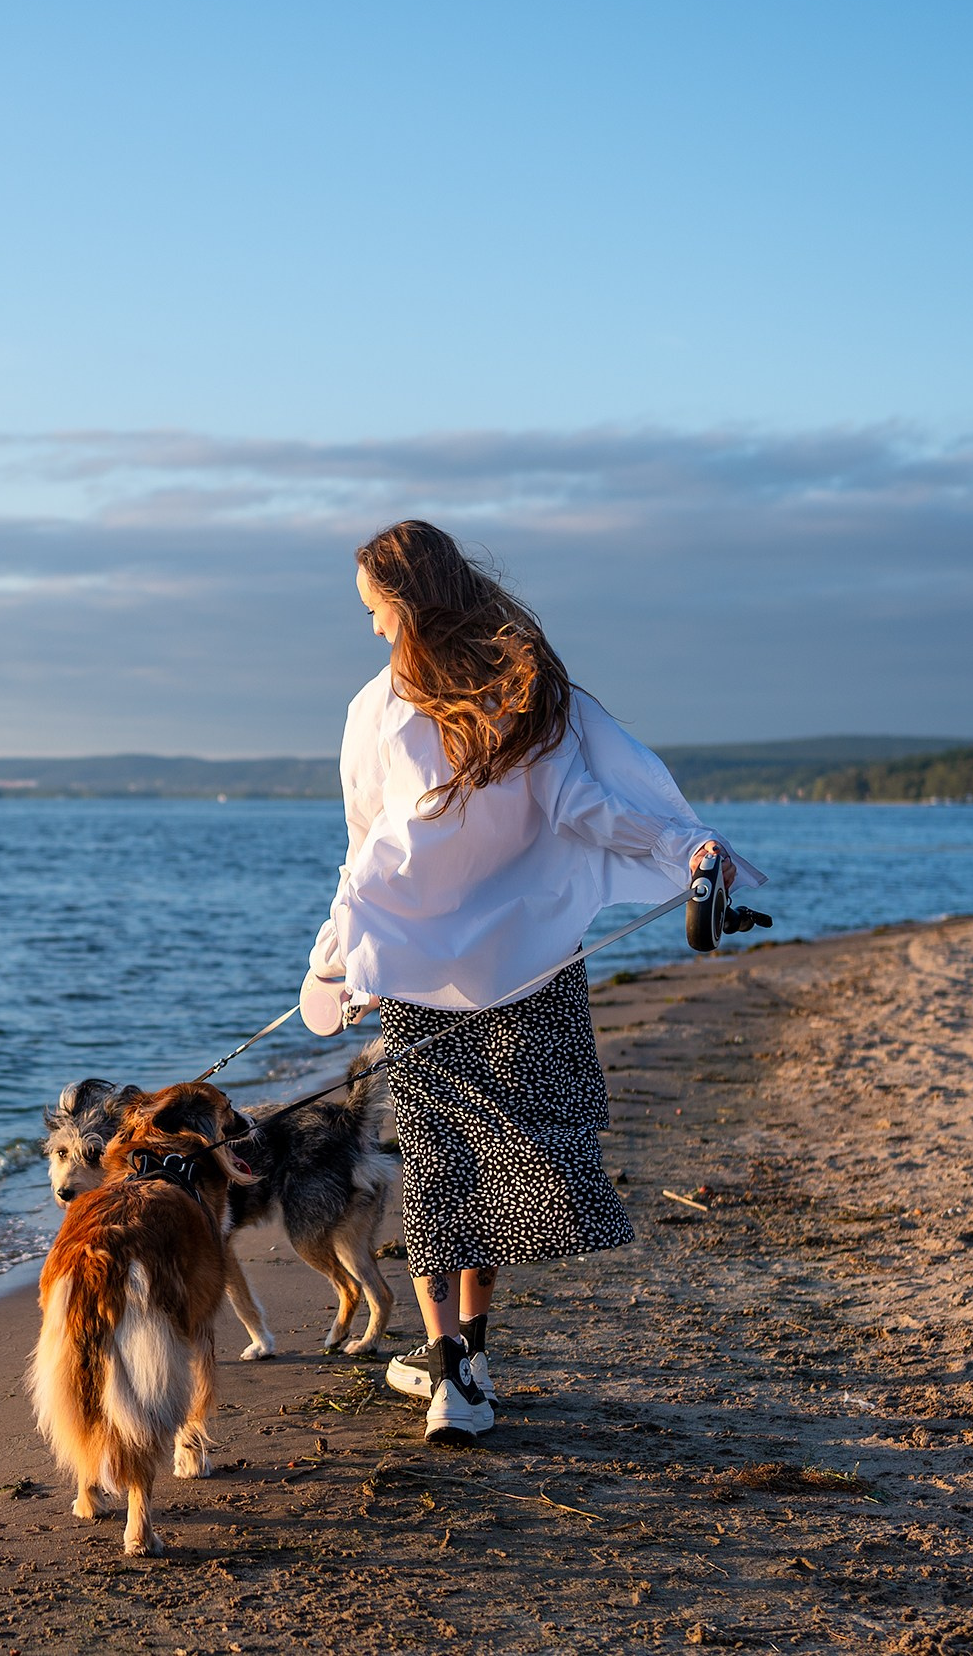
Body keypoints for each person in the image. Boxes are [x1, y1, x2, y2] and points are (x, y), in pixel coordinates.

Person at [301, 520, 761, 1445]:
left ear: (406, 600)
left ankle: (454, 1371)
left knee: (448, 1173)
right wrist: (684, 849)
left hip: (430, 978)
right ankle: (463, 1358)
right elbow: (588, 803)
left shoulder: (383, 709)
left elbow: (364, 852)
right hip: (528, 965)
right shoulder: (523, 685)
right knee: (492, 1169)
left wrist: (338, 954)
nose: (374, 629)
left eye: (375, 611)